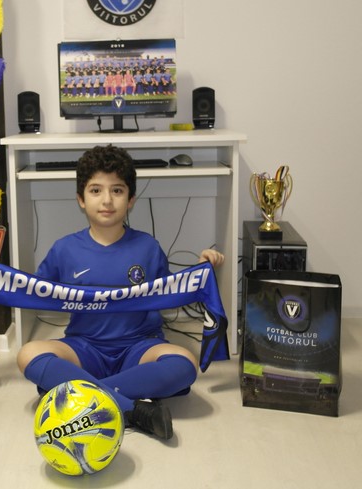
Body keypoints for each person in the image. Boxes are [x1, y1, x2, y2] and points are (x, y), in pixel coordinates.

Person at [16, 144, 224, 439]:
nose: (107, 200)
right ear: (81, 199)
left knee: (185, 363)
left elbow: (172, 293)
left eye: (117, 190)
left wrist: (200, 271)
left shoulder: (147, 247)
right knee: (28, 354)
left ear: (130, 200)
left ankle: (81, 391)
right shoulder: (65, 249)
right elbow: (29, 290)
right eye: (96, 190)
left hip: (139, 346)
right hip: (84, 347)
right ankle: (131, 408)